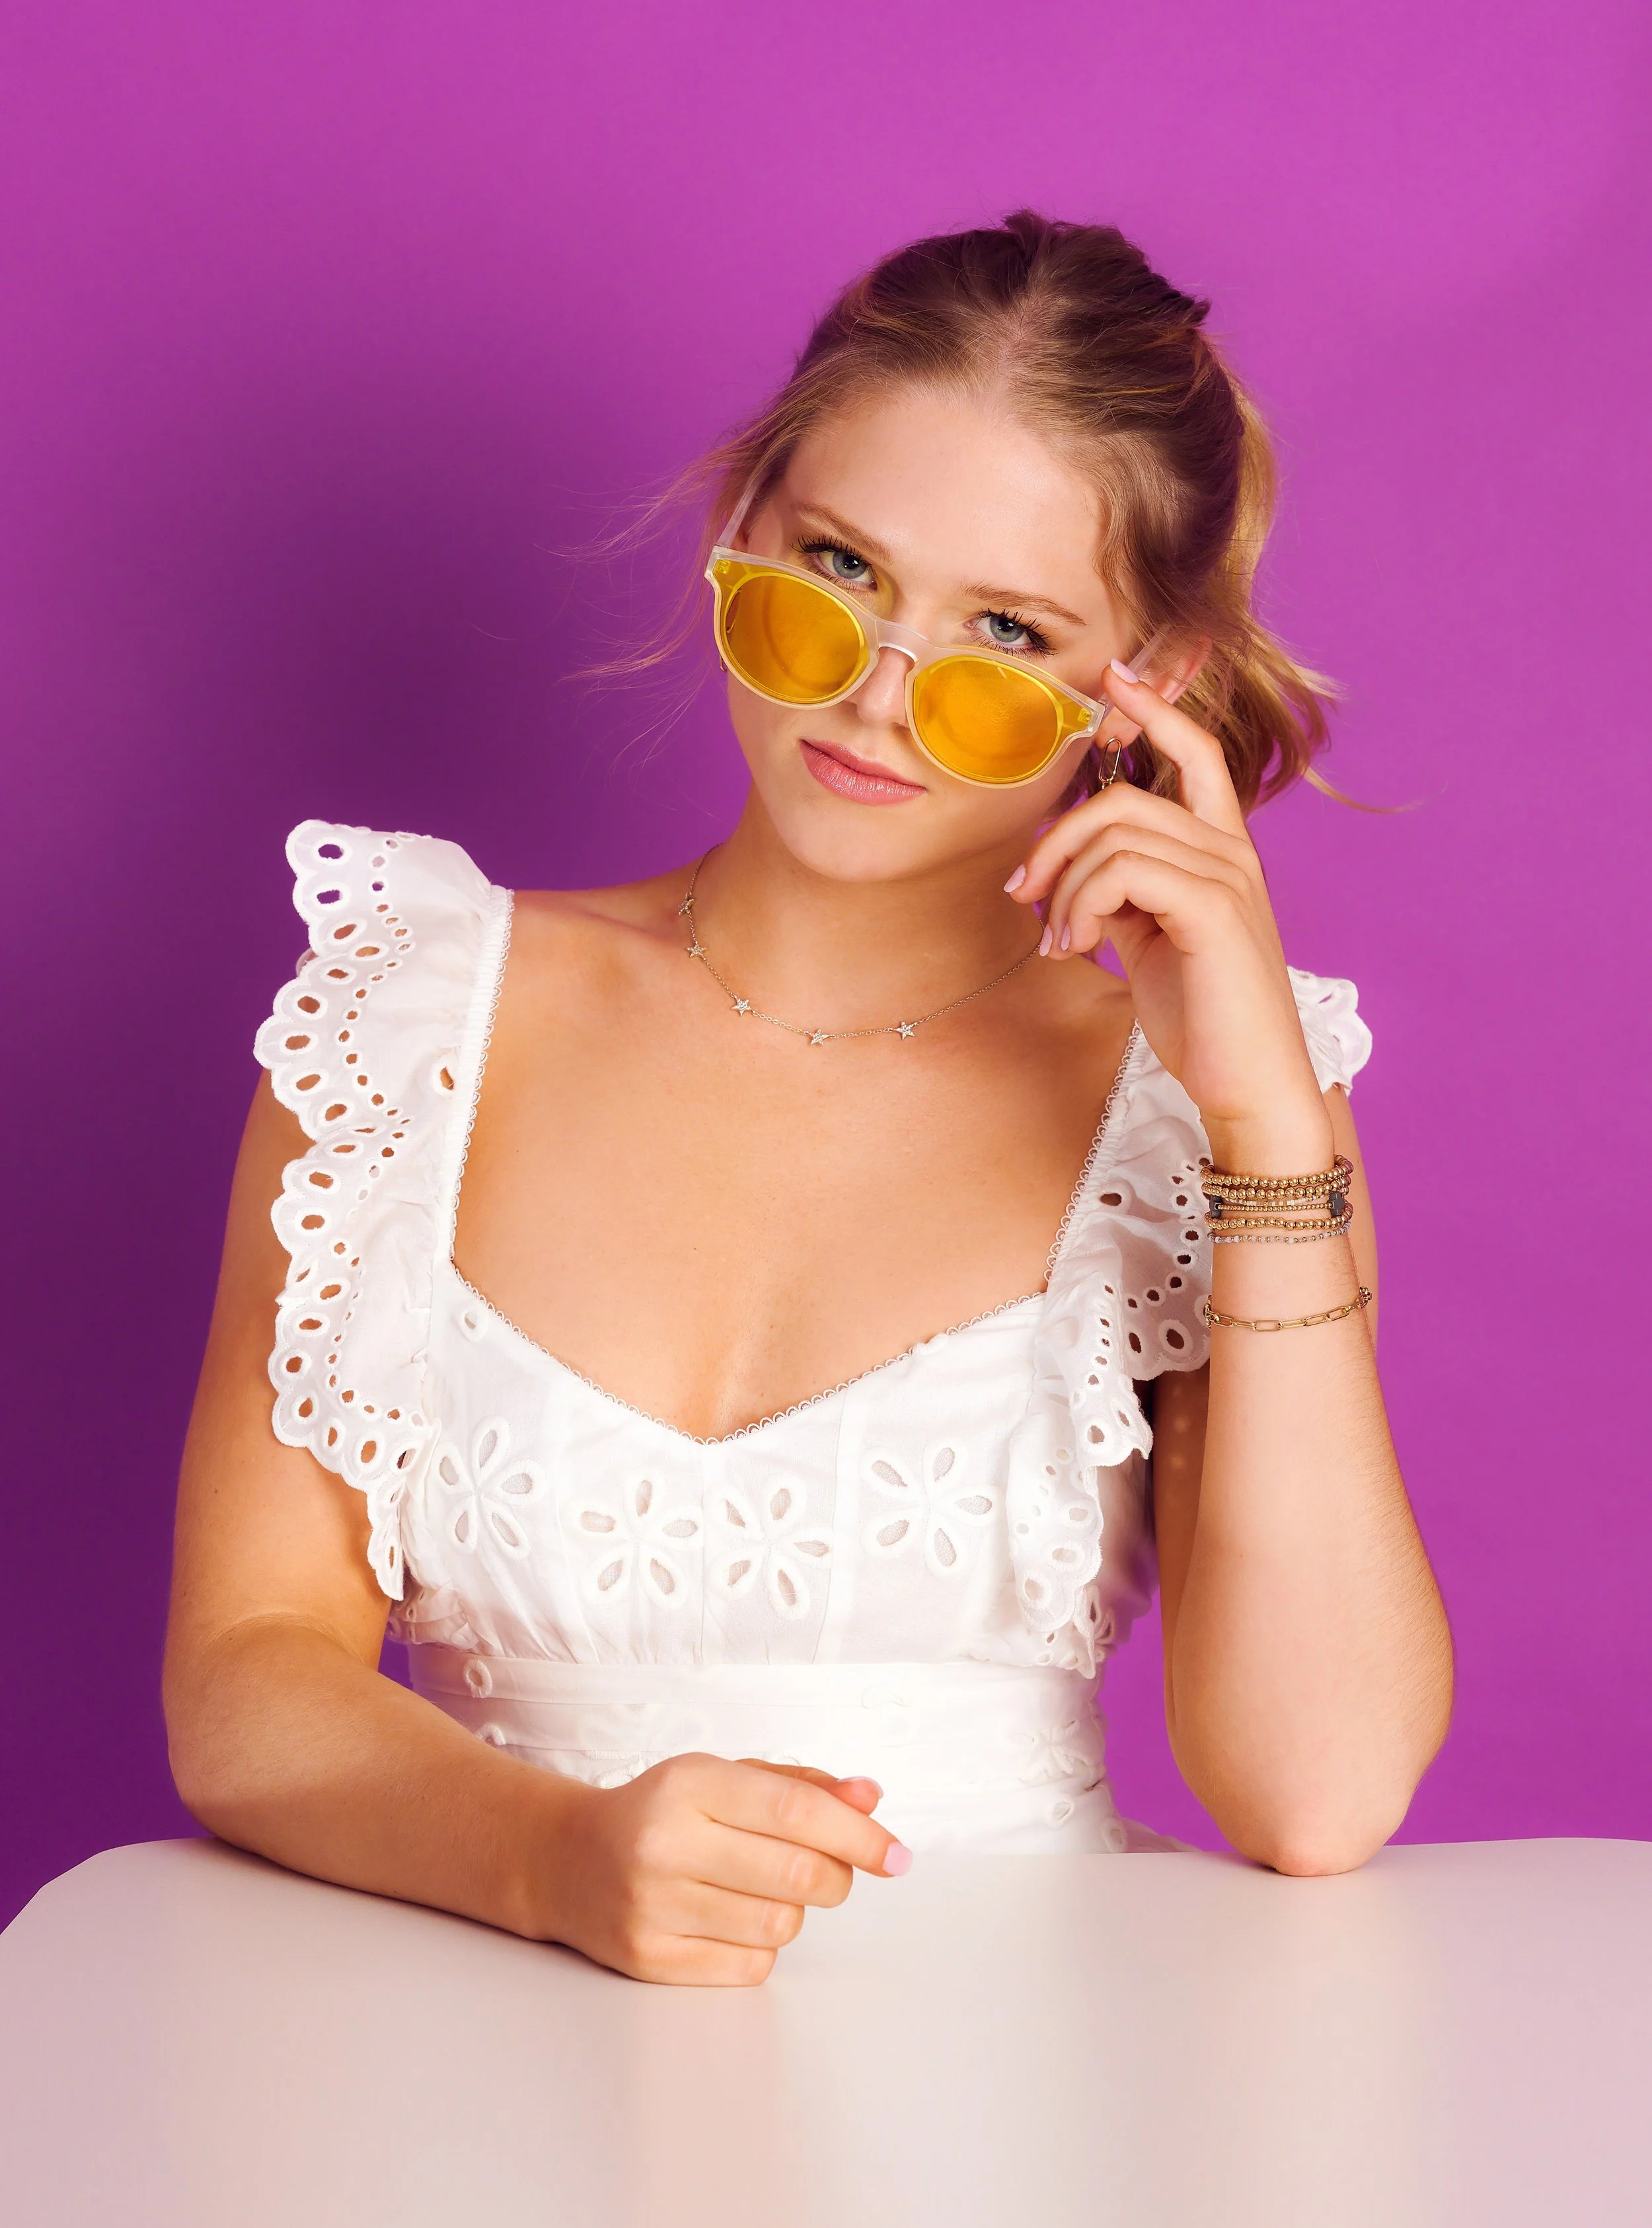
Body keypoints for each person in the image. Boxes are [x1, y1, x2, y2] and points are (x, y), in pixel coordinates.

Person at [165, 211, 1453, 1986]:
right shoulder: (409, 1015)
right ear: (734, 529)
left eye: (1004, 629)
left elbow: (1317, 1792)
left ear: (1140, 695)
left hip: (1019, 2113)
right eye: (836, 570)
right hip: (462, 2076)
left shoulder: (1210, 1121)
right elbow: (246, 1678)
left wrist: (1263, 1125)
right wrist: (549, 1858)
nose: (878, 691)